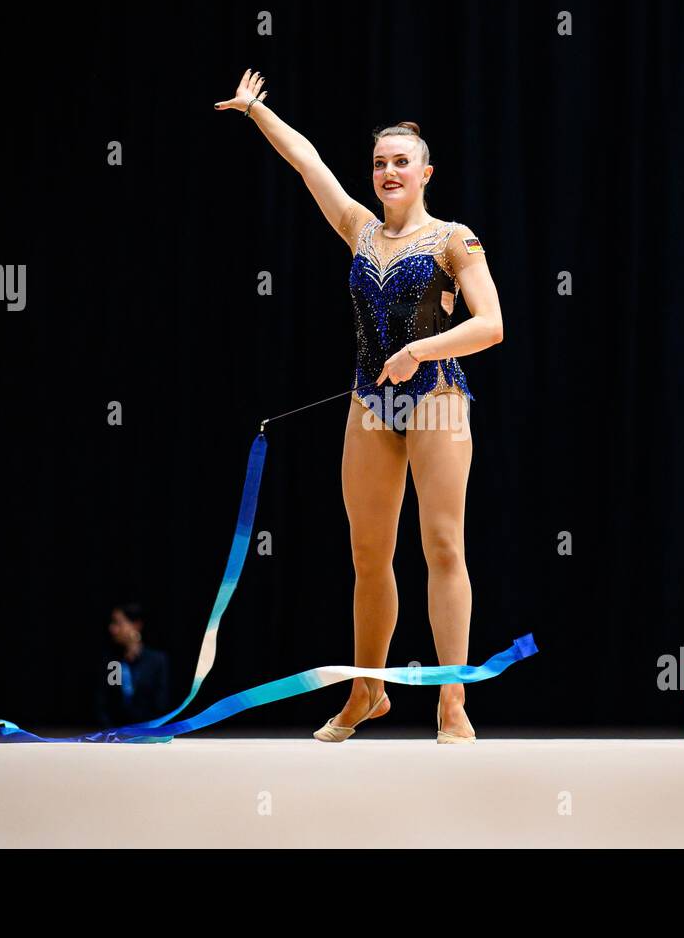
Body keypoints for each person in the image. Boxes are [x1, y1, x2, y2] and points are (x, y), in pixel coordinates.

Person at [215, 70, 505, 743]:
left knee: (442, 546)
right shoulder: (358, 228)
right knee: (369, 556)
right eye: (380, 163)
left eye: (402, 162)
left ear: (425, 171)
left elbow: (491, 325)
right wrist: (259, 114)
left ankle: (452, 700)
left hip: (436, 401)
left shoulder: (454, 239)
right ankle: (366, 691)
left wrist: (421, 353)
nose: (388, 172)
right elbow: (306, 161)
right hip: (370, 403)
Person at [94, 603, 171, 729]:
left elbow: (161, 704)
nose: (112, 628)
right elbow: (105, 705)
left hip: (149, 734)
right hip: (116, 736)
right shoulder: (112, 662)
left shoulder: (156, 660)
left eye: (118, 623)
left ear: (136, 625)